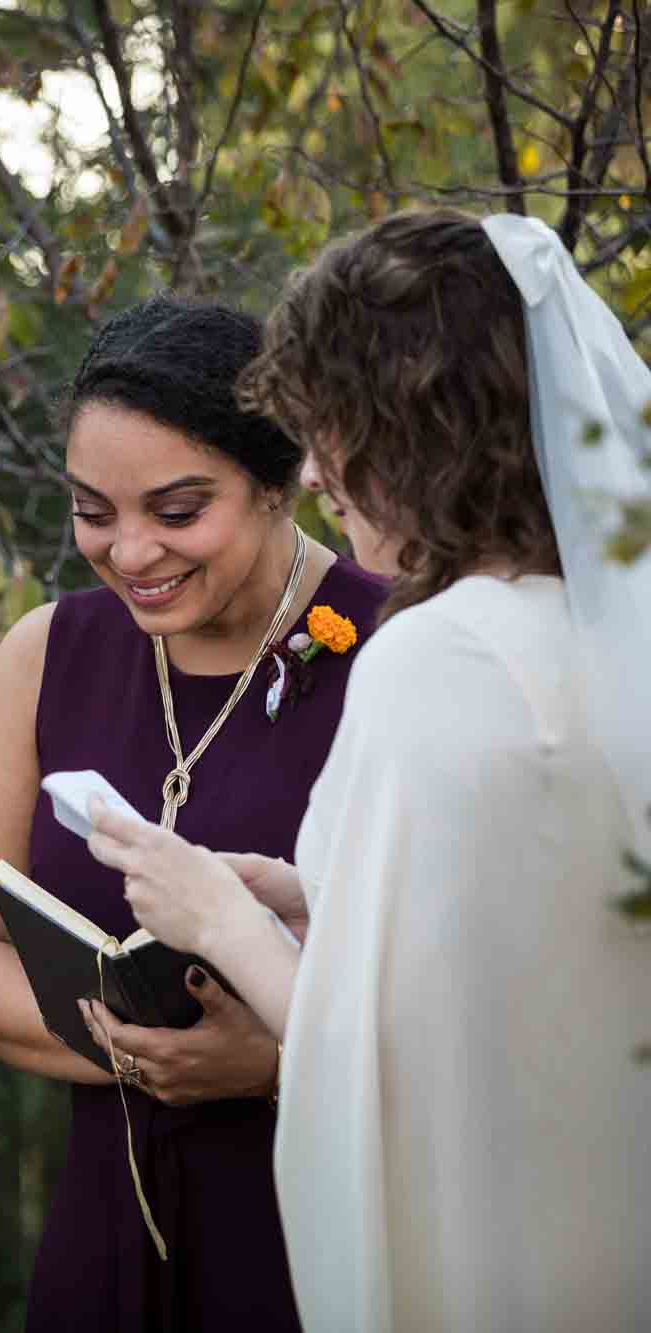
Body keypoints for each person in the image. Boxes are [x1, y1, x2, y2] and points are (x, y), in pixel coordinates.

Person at [89, 209, 651, 1331]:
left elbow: (384, 1053)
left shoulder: (434, 655)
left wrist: (214, 919)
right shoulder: (602, 632)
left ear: (405, 431)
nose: (314, 472)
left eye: (328, 427)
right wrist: (318, 892)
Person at [0, 298, 389, 1330]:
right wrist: (143, 1053)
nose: (129, 553)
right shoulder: (47, 652)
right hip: (104, 1234)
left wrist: (270, 1069)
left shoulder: (393, 649)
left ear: (278, 482)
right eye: (92, 511)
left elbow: (467, 1004)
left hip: (321, 1246)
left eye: (176, 513)